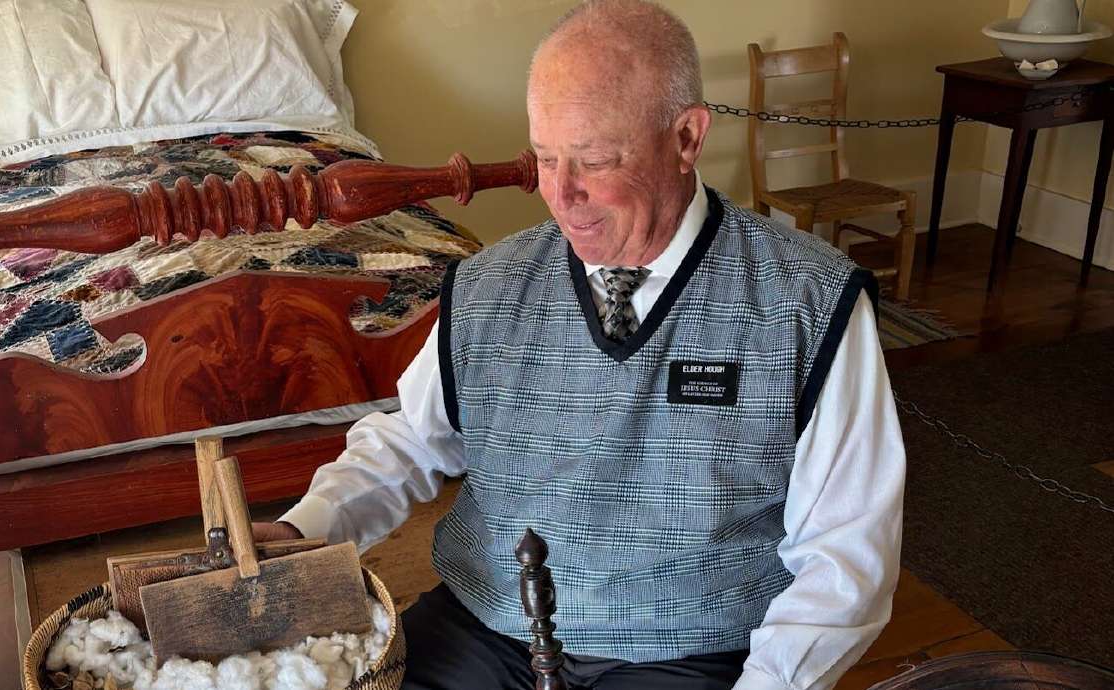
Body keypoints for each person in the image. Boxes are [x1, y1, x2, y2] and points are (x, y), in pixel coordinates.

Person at [255, 2, 905, 689]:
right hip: (488, 629)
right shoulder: (488, 285)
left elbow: (846, 554)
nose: (562, 195)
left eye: (595, 159)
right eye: (544, 157)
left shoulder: (807, 299)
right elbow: (412, 441)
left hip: (690, 653)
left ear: (687, 137)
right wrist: (307, 531)